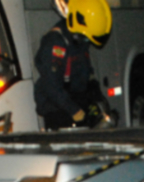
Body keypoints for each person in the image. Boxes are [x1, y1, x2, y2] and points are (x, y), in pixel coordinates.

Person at [34, 0, 113, 130]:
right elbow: (51, 86)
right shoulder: (56, 42)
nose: (86, 42)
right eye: (86, 39)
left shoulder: (79, 38)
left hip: (73, 100)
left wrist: (96, 96)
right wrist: (74, 110)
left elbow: (86, 71)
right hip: (58, 109)